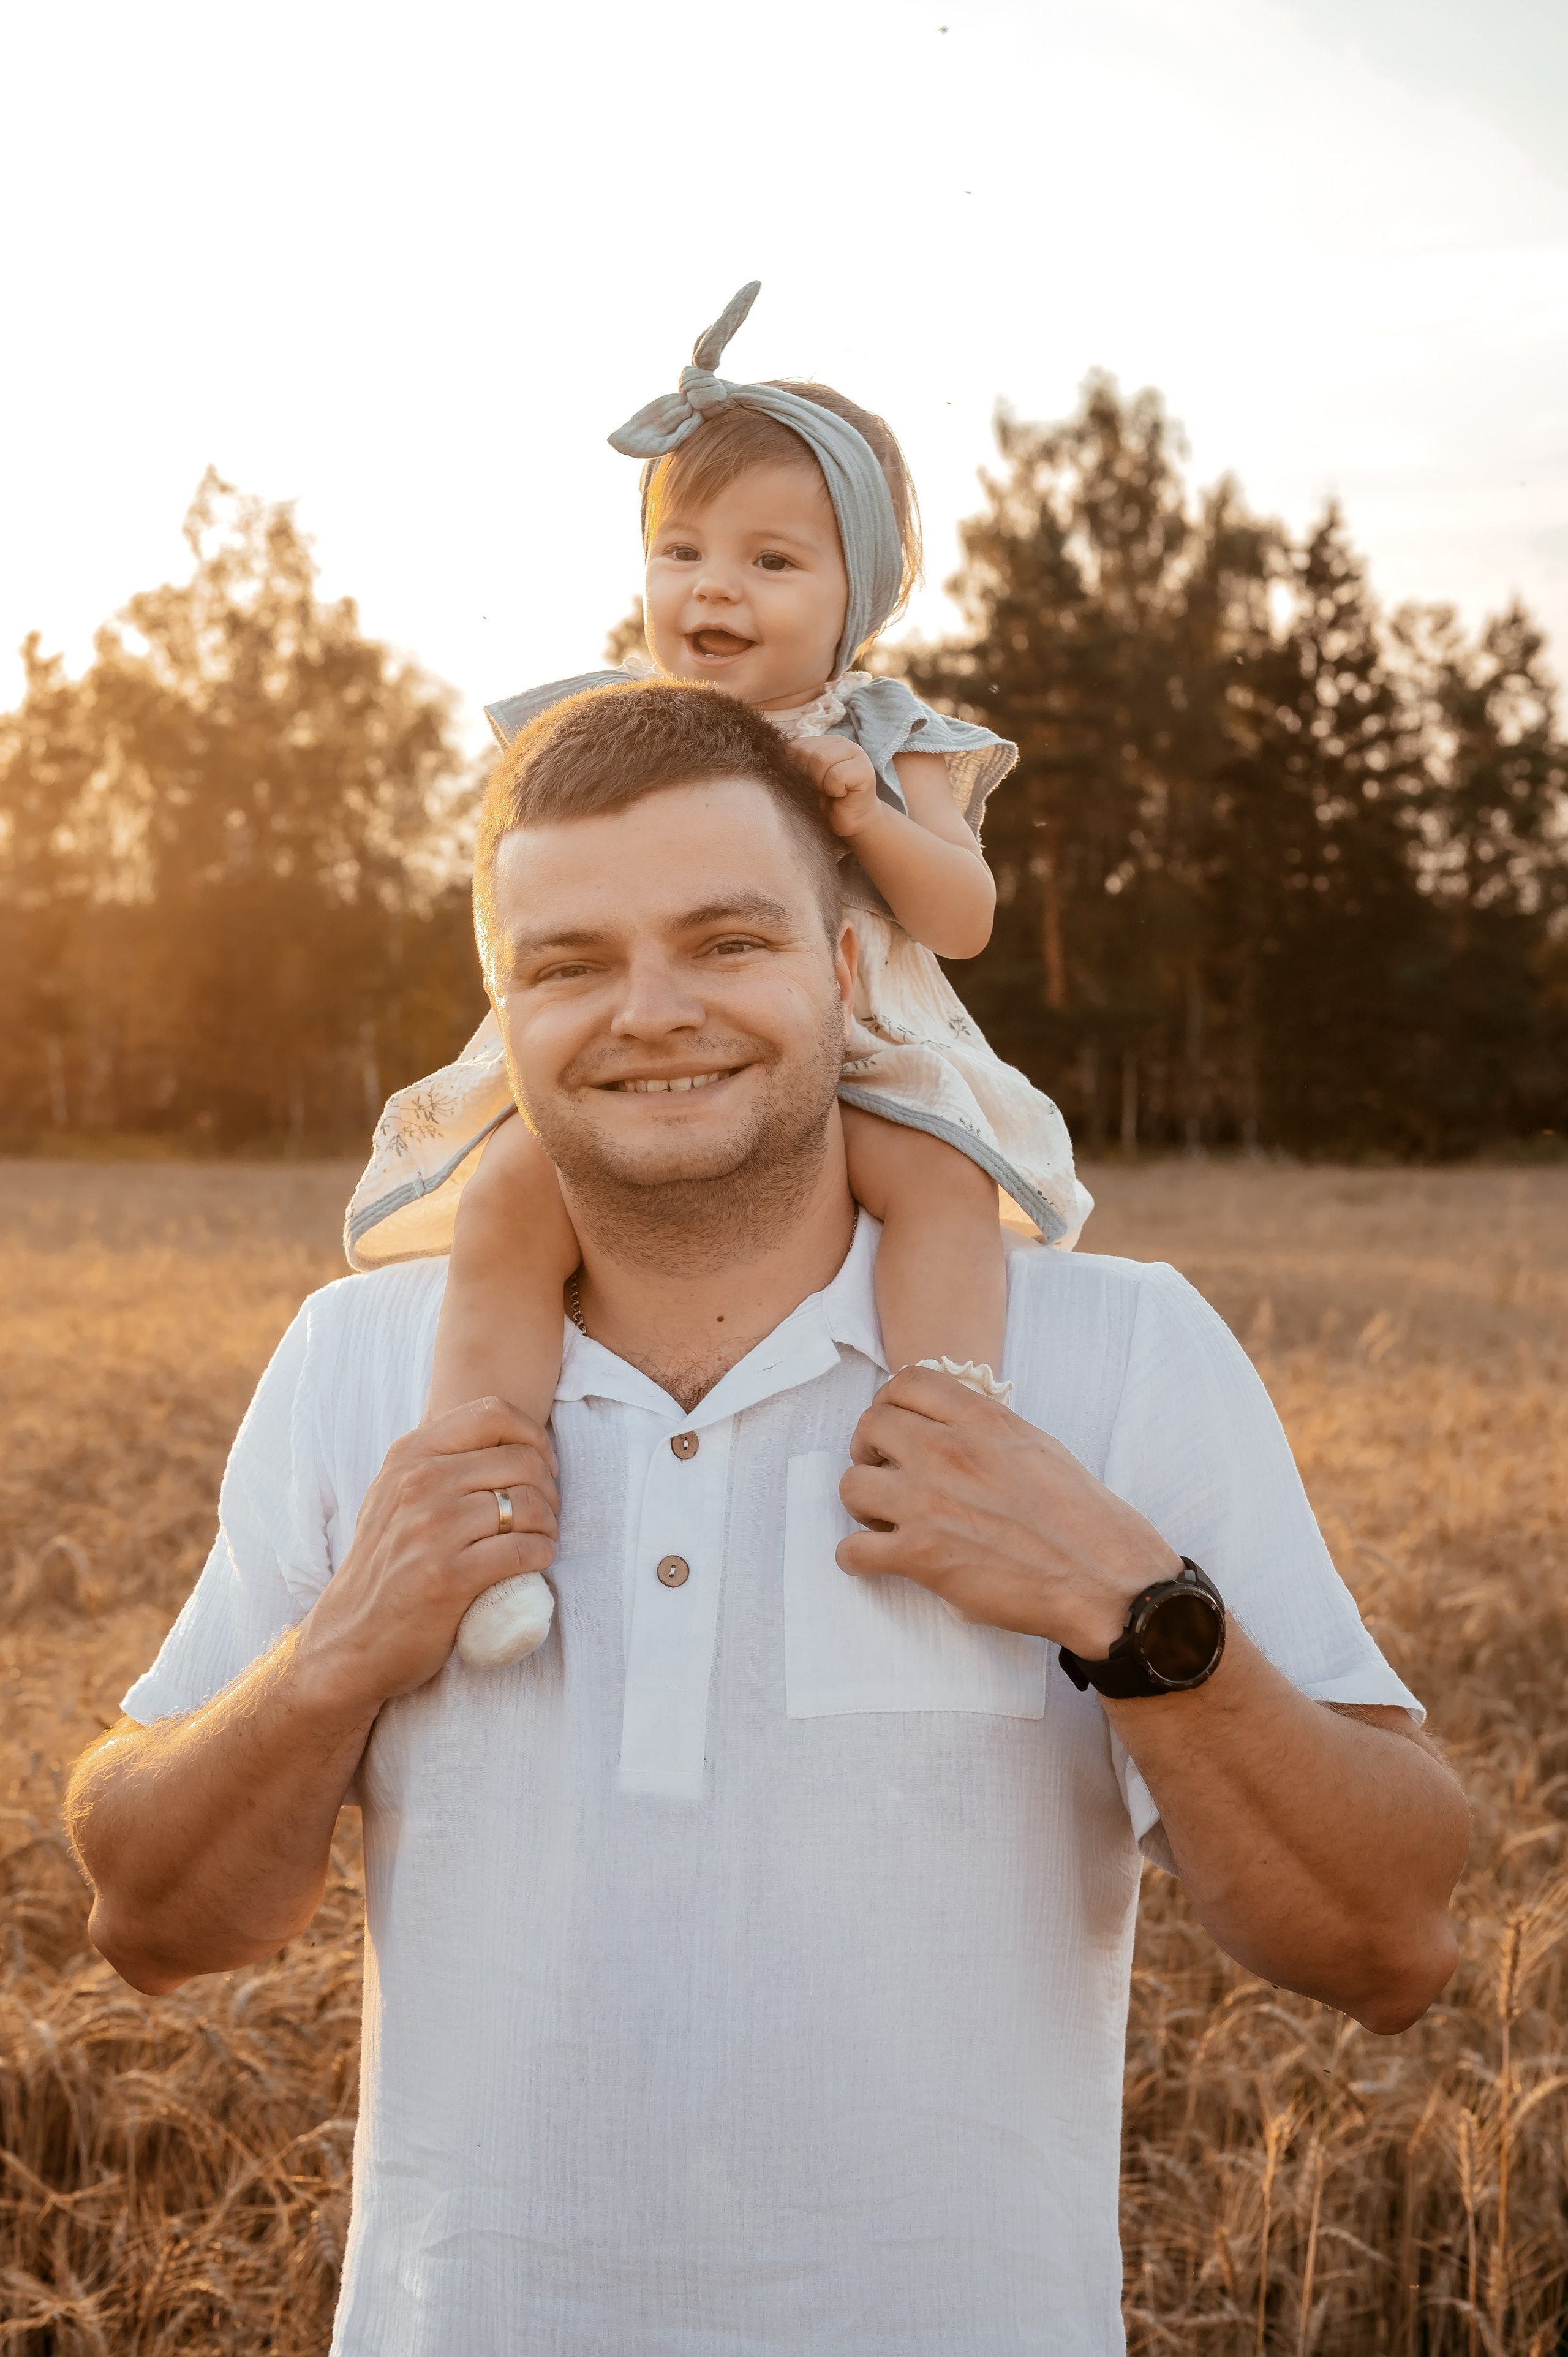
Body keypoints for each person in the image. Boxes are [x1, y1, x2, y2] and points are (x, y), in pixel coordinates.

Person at [69, 678, 1466, 2357]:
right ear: (503, 1016)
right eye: (568, 965)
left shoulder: (1120, 1350)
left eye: (725, 941)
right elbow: (148, 1917)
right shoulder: (365, 1364)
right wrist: (330, 1665)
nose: (649, 1012)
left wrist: (1136, 1608)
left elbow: (1392, 1939)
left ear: (851, 967)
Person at [342, 282, 1093, 1670]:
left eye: (768, 563)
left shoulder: (888, 729)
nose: (712, 591)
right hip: (655, 1049)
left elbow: (967, 911)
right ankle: (484, 1498)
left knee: (934, 1181)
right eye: (680, 553)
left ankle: (944, 1440)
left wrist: (861, 808)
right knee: (515, 1199)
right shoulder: (610, 727)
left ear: (852, 593)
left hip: (855, 1040)